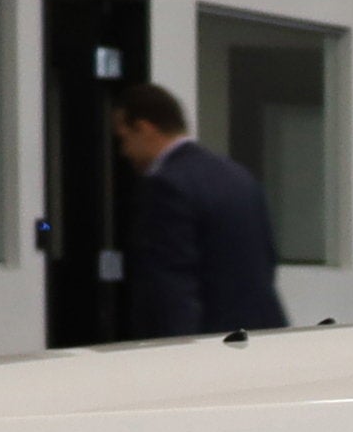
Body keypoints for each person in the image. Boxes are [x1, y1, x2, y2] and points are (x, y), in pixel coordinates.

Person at [107, 81, 290, 338]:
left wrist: (175, 351)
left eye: (123, 138)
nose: (124, 152)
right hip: (258, 334)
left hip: (208, 343)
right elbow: (267, 258)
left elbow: (170, 287)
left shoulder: (166, 186)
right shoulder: (239, 175)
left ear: (144, 129)